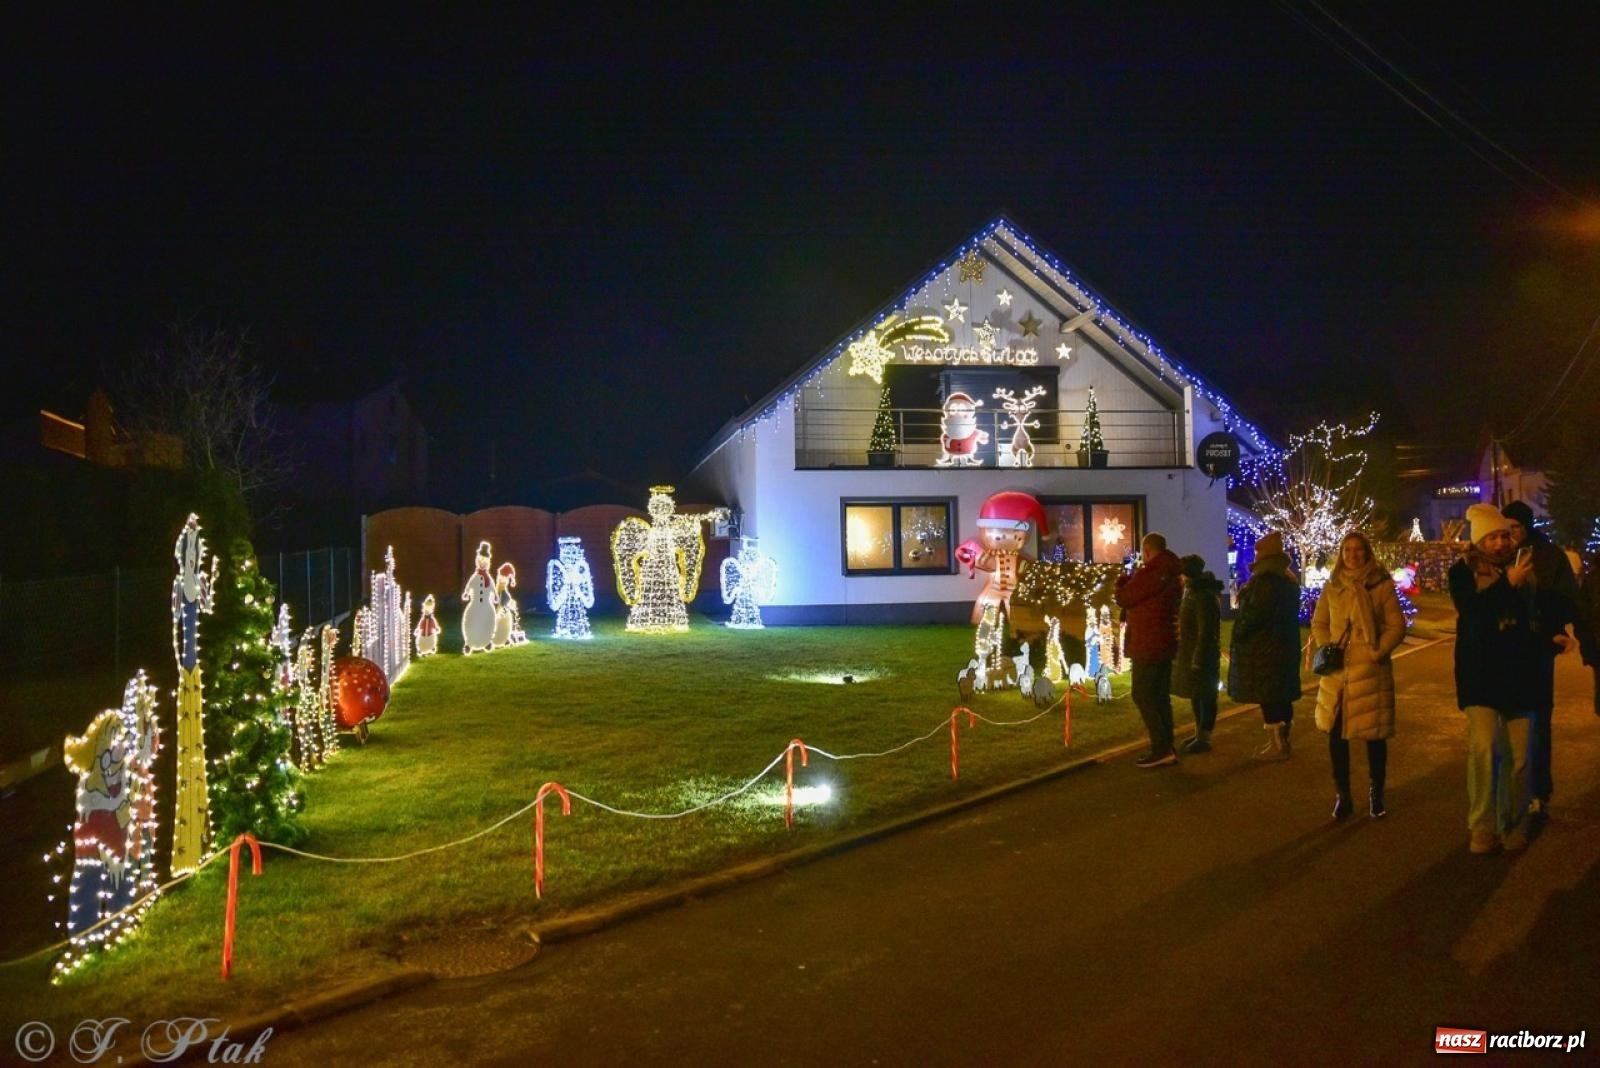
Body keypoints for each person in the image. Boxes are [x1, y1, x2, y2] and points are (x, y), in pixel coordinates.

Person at [1450, 503, 1547, 853]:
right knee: (1485, 749)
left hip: (1521, 678)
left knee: (1520, 759)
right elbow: (1474, 613)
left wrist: (1553, 633)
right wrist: (1509, 583)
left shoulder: (1525, 570)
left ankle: (1514, 822)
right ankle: (1482, 826)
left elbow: (1539, 612)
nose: (1500, 543)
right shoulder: (1463, 572)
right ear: (1480, 542)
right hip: (1481, 678)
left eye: (1504, 535)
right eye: (1492, 537)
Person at [1311, 531, 1405, 820]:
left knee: (1375, 738)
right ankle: (1344, 795)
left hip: (1370, 670)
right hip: (1338, 673)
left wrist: (1377, 653)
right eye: (1347, 550)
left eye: (1358, 550)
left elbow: (1396, 626)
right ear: (1341, 554)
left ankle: (1377, 793)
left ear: (1366, 552)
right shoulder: (1333, 585)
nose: (1352, 555)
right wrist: (1328, 646)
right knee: (1336, 737)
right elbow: (1320, 622)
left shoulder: (1380, 584)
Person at [1501, 501, 1581, 822]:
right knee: (1507, 722)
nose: (1509, 535)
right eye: (1505, 529)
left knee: (1538, 721)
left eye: (1515, 528)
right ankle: (1509, 788)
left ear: (1527, 526)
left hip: (1538, 649)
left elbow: (1568, 600)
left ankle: (1538, 792)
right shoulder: (1499, 554)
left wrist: (1550, 626)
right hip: (1505, 651)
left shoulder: (1549, 556)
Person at [1227, 530, 1303, 760]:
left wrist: (1239, 632)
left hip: (1265, 651)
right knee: (1281, 696)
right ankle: (1282, 742)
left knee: (1270, 698)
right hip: (1283, 648)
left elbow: (1253, 617)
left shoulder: (1265, 584)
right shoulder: (1286, 581)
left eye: (1258, 553)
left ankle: (1277, 746)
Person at [1115, 532, 1185, 767]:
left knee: (1143, 694)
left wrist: (1123, 581)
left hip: (1148, 643)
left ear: (1147, 551)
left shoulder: (1153, 573)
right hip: (1163, 641)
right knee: (1160, 695)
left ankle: (1161, 747)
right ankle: (1167, 745)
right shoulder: (1172, 573)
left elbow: (1125, 597)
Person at [1172, 554, 1223, 753]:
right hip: (1191, 653)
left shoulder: (1203, 596)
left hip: (1202, 655)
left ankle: (1205, 737)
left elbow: (1206, 631)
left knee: (1206, 695)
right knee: (1196, 693)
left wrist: (1198, 657)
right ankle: (1199, 732)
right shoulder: (1193, 592)